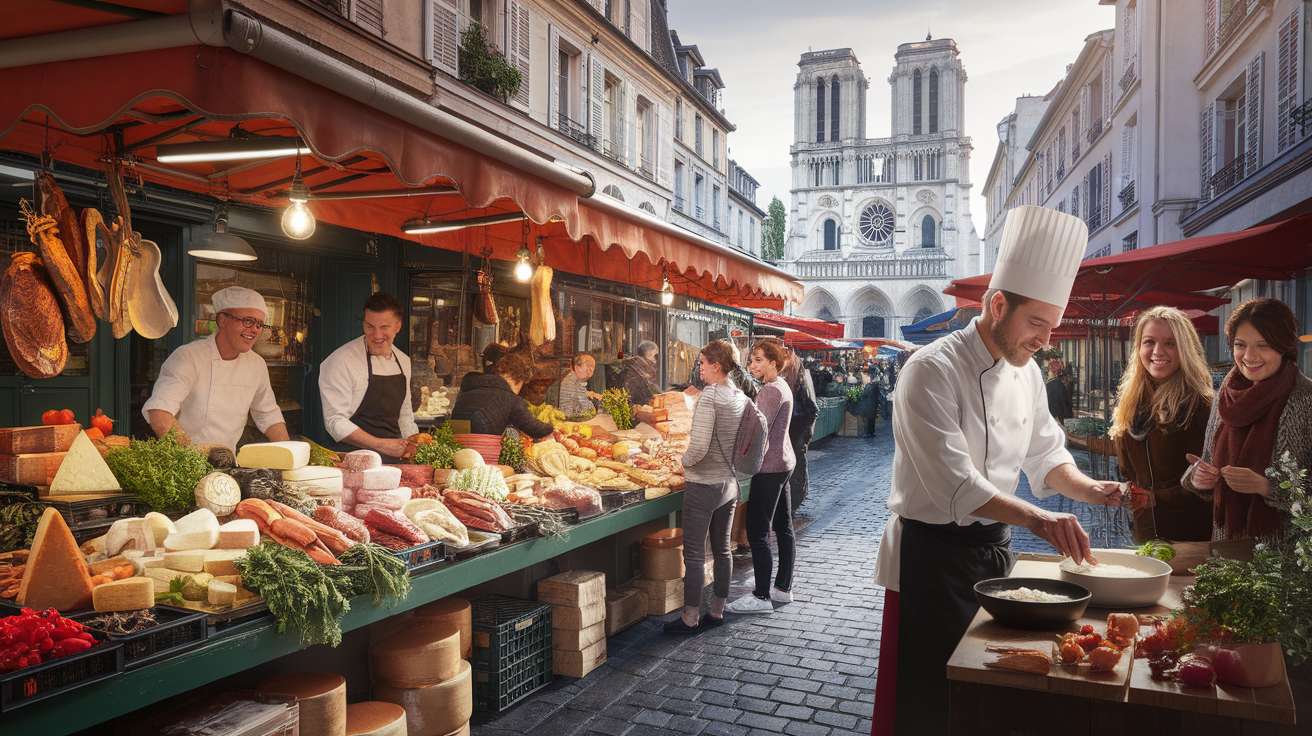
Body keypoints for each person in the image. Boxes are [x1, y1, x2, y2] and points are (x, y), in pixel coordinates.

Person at [871, 206, 1123, 736]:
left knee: (986, 694)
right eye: (1037, 324)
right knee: (928, 700)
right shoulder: (930, 370)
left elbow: (1047, 456)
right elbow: (954, 484)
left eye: (1051, 328)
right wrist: (1040, 519)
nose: (1045, 340)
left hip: (992, 554)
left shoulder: (1027, 372)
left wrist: (1093, 489)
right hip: (929, 559)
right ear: (998, 304)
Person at [1183, 298, 1312, 541]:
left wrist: (1266, 486)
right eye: (1240, 345)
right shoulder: (1224, 395)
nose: (1249, 356)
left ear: (1283, 346)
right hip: (1226, 549)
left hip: (1287, 560)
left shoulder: (1306, 400)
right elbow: (1208, 464)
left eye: (1263, 345)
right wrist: (1198, 477)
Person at [664, 340, 749, 635]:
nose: (698, 367)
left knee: (695, 556)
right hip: (729, 483)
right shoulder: (737, 395)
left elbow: (698, 448)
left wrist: (682, 461)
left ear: (716, 366)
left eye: (702, 362)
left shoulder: (710, 397)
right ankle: (716, 611)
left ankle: (689, 618)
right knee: (723, 549)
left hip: (703, 485)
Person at [1110, 306, 1214, 543]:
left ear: (1185, 349)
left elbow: (1209, 486)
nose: (1157, 351)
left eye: (1170, 343)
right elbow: (1129, 472)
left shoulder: (1201, 406)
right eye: (1149, 342)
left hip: (1191, 535)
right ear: (1138, 349)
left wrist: (1154, 498)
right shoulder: (1130, 402)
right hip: (1144, 532)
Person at [143, 286, 288, 451]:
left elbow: (268, 414)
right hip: (185, 463)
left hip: (228, 463)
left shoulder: (257, 365)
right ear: (222, 320)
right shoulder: (189, 357)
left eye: (260, 324)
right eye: (248, 321)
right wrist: (190, 459)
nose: (255, 329)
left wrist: (292, 455)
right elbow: (159, 411)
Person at [725, 339, 796, 615]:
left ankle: (761, 595)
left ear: (773, 364)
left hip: (769, 467)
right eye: (751, 360)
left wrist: (739, 457)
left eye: (757, 360)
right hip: (784, 462)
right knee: (783, 526)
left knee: (757, 531)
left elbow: (759, 434)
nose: (751, 364)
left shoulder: (769, 391)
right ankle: (783, 587)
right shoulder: (782, 386)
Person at [318, 292, 419, 463]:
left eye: (384, 327)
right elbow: (334, 421)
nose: (377, 335)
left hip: (395, 461)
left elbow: (405, 415)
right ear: (364, 325)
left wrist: (416, 450)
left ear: (398, 326)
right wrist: (381, 445)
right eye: (370, 327)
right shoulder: (341, 360)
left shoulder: (403, 361)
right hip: (353, 460)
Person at [450, 353, 555, 439]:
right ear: (519, 379)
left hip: (455, 440)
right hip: (482, 449)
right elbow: (533, 428)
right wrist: (552, 429)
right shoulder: (509, 398)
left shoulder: (473, 386)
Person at [784, 351, 819, 512]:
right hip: (794, 434)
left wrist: (807, 432)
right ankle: (788, 507)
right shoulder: (787, 381)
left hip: (796, 433)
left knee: (795, 471)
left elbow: (812, 408)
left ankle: (790, 506)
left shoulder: (799, 380)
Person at [619, 340, 661, 407]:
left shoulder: (638, 365)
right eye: (654, 355)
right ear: (647, 353)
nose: (655, 359)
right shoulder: (636, 368)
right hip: (637, 406)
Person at [557, 353, 601, 417]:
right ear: (577, 367)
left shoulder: (576, 380)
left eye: (592, 366)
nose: (590, 370)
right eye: (588, 366)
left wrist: (590, 394)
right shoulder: (570, 382)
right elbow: (586, 409)